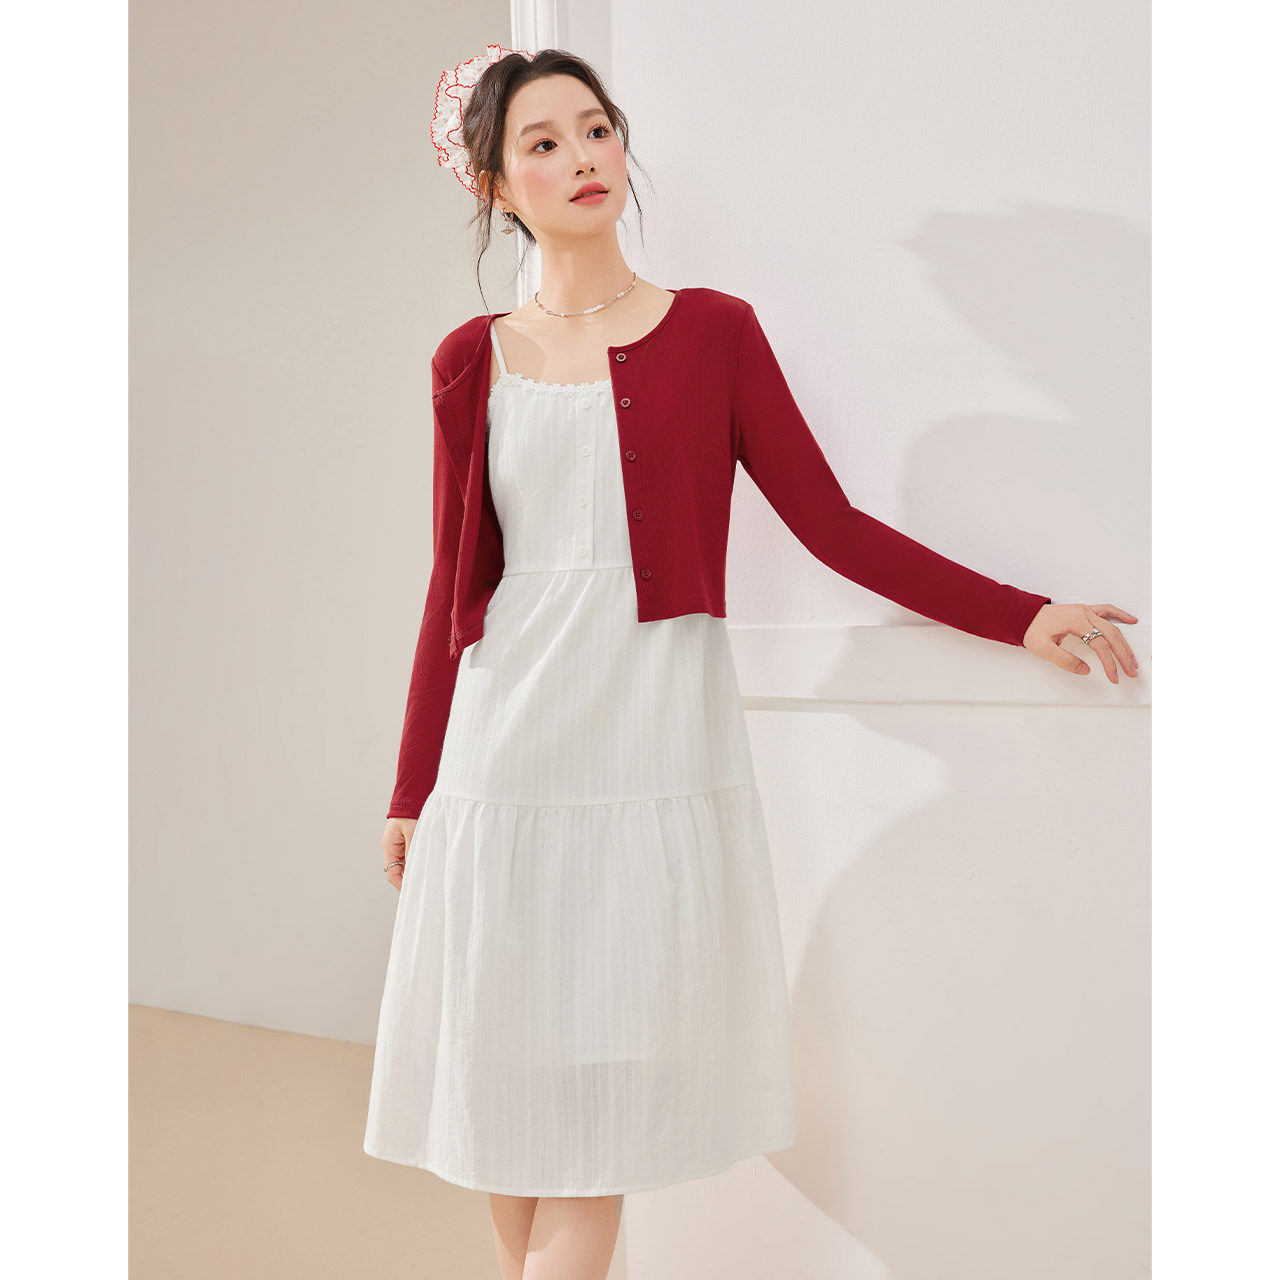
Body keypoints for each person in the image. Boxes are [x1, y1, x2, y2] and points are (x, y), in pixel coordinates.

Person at [362, 45, 1140, 1280]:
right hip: (505, 756)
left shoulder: (712, 333)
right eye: (542, 143)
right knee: (510, 1096)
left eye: (595, 128)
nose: (582, 157)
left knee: (594, 1117)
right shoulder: (470, 359)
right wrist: (414, 784)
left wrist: (1020, 613)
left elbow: (831, 526)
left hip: (647, 748)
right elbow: (451, 589)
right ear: (496, 185)